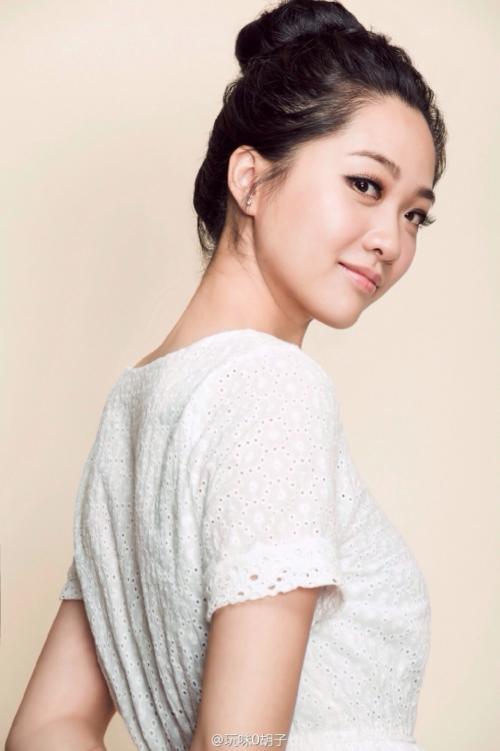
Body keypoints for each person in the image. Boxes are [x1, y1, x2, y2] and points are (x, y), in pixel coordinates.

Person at [6, 1, 448, 750]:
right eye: (367, 185)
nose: (391, 241)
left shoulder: (134, 404)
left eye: (415, 214)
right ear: (250, 179)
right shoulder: (276, 389)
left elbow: (50, 725)